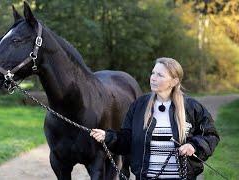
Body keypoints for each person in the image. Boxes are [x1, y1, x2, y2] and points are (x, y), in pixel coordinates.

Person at [90, 57, 219, 180]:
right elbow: (127, 140)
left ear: (174, 81)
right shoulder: (139, 106)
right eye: (153, 73)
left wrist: (193, 146)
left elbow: (211, 135)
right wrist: (107, 136)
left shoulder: (192, 107)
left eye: (160, 75)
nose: (153, 78)